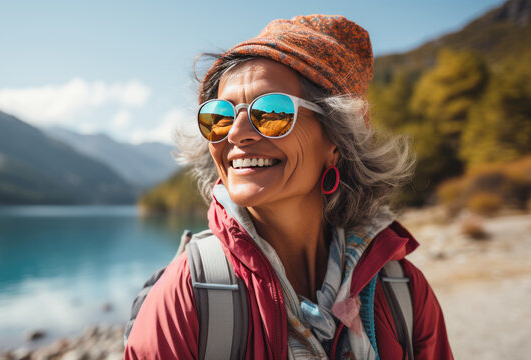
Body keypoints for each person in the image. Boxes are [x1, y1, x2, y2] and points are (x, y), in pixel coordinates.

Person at [125, 14, 453, 359]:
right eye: (219, 116)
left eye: (271, 112)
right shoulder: (186, 297)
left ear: (336, 138)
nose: (236, 133)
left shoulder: (404, 291)